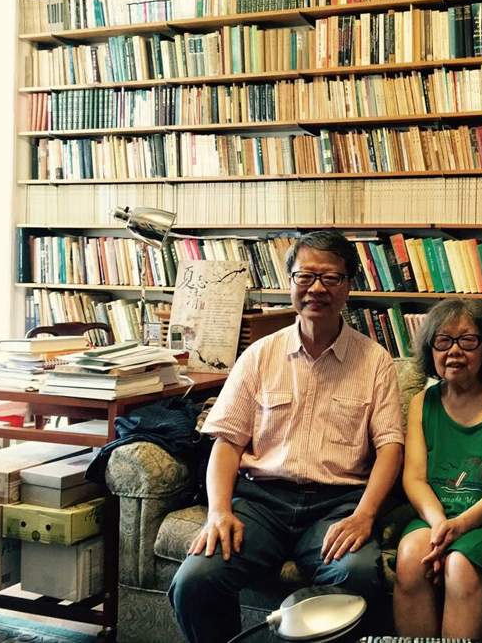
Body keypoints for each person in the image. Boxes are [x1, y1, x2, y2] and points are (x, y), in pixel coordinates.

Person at [168, 231, 405, 643]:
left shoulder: (375, 362)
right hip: (261, 503)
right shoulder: (259, 355)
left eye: (331, 278)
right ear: (290, 281)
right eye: (305, 276)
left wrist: (364, 515)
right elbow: (227, 442)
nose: (317, 288)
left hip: (336, 504)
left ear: (349, 285)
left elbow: (390, 448)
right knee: (195, 580)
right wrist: (218, 512)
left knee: (356, 575)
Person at [394, 298, 482, 640]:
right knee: (411, 555)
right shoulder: (421, 403)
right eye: (443, 341)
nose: (454, 351)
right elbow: (414, 478)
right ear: (430, 349)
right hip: (437, 517)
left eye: (468, 340)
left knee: (459, 563)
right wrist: (440, 526)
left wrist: (460, 526)